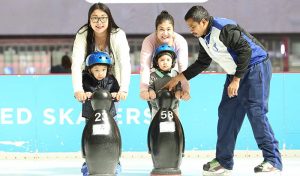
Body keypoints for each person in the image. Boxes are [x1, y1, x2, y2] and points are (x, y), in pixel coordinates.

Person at [164, 5, 282, 175]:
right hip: (235, 72)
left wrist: (236, 80)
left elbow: (245, 51)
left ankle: (273, 161)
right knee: (227, 114)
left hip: (256, 67)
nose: (191, 30)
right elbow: (202, 63)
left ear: (203, 21)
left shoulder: (223, 29)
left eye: (193, 26)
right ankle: (223, 162)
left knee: (256, 112)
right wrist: (179, 77)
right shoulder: (203, 37)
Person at [71, 2, 131, 175]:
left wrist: (123, 89)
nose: (99, 22)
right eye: (95, 18)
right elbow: (76, 63)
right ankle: (88, 165)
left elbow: (124, 63)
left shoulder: (118, 34)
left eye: (103, 18)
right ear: (89, 20)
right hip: (89, 85)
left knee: (112, 126)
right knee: (90, 127)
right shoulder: (83, 34)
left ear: (109, 18)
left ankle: (115, 164)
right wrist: (78, 89)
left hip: (112, 86)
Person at [139, 10, 190, 115]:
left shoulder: (180, 41)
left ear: (173, 30)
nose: (165, 33)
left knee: (173, 112)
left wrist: (186, 89)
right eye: (161, 29)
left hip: (173, 77)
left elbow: (183, 68)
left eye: (168, 29)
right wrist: (144, 89)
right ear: (156, 30)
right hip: (155, 80)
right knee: (156, 113)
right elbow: (145, 66)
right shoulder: (149, 41)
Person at [147, 44, 183, 118]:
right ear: (157, 62)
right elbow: (150, 86)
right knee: (155, 124)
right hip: (156, 106)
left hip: (173, 106)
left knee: (176, 123)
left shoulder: (175, 74)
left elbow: (178, 86)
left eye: (168, 60)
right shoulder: (153, 75)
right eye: (162, 60)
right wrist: (151, 91)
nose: (165, 62)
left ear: (172, 62)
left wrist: (178, 91)